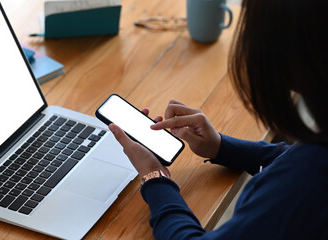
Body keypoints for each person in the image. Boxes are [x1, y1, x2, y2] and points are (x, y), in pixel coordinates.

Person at [108, 0, 328, 239]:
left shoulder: (306, 181)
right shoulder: (313, 157)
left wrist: (154, 176)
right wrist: (221, 147)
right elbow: (291, 157)